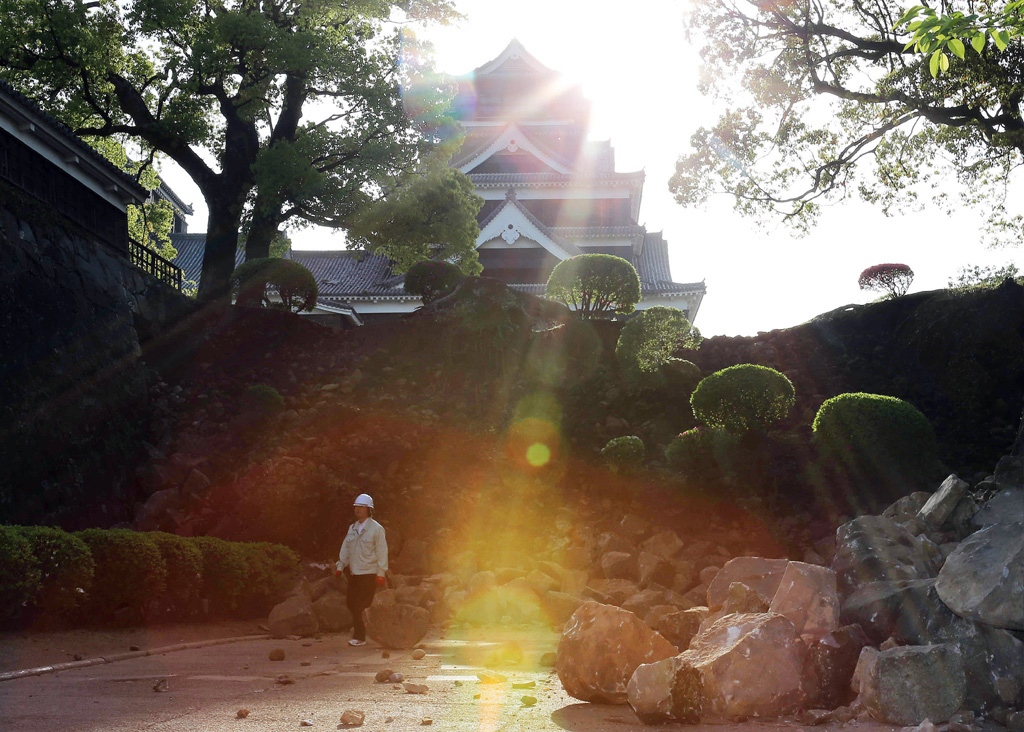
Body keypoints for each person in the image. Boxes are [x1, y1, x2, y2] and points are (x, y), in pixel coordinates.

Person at [336, 493, 388, 646]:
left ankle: (359, 637)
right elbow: (346, 548)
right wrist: (340, 566)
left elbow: (382, 551)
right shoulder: (352, 528)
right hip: (355, 573)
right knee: (351, 603)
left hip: (369, 573)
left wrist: (381, 573)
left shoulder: (377, 529)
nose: (357, 509)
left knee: (360, 605)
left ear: (368, 509)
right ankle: (364, 628)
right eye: (356, 507)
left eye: (361, 507)